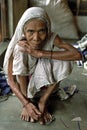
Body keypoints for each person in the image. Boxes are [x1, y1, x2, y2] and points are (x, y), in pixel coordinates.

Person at [3, 7, 82, 125]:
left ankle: (43, 100)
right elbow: (11, 81)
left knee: (65, 58)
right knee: (21, 51)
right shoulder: (19, 45)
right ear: (23, 31)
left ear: (47, 29)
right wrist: (26, 104)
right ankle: (28, 99)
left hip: (44, 85)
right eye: (30, 31)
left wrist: (40, 53)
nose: (36, 38)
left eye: (41, 31)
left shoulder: (52, 38)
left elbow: (77, 55)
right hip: (25, 86)